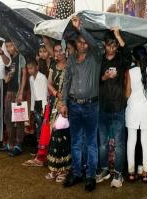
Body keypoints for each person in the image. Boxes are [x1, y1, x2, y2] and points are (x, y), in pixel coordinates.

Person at [62, 16, 103, 192]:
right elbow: (66, 82)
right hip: (74, 106)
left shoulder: (95, 57)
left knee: (91, 143)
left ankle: (91, 176)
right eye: (80, 42)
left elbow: (95, 44)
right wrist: (63, 103)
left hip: (91, 106)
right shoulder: (71, 60)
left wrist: (80, 29)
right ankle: (77, 173)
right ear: (76, 44)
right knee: (76, 142)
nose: (82, 45)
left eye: (85, 42)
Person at [96, 28, 131, 188]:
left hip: (118, 106)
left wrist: (118, 35)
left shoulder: (121, 60)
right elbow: (94, 80)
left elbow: (129, 55)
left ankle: (118, 173)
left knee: (119, 143)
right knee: (102, 143)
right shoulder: (99, 60)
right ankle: (104, 170)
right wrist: (104, 77)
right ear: (105, 45)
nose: (112, 48)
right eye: (110, 45)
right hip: (102, 106)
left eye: (115, 45)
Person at [125, 46, 147, 183]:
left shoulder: (130, 72)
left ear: (134, 58)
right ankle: (145, 174)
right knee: (145, 141)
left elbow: (127, 94)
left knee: (131, 141)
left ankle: (131, 173)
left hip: (133, 110)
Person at [45, 40, 71, 183]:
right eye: (55, 51)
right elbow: (49, 83)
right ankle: (55, 168)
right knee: (54, 135)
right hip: (55, 103)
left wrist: (64, 100)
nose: (58, 53)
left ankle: (65, 169)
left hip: (67, 105)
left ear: (66, 51)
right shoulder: (54, 65)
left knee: (64, 136)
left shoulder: (71, 65)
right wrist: (55, 93)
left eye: (60, 50)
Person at [3, 39, 27, 156]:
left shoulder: (21, 57)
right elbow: (9, 75)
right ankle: (10, 143)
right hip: (9, 91)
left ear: (15, 45)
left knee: (19, 119)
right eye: (7, 46)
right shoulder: (11, 59)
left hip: (18, 92)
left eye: (11, 46)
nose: (9, 49)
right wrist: (8, 76)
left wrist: (21, 92)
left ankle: (19, 144)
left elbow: (24, 75)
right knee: (8, 118)